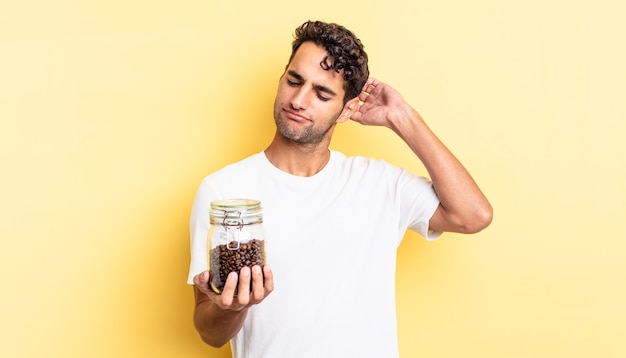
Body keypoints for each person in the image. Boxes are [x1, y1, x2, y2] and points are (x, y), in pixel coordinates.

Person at [188, 20, 492, 357]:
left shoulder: (379, 184)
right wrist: (232, 307)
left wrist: (402, 116)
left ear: (347, 109)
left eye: (322, 93)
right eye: (294, 81)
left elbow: (472, 215)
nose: (299, 100)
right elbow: (209, 332)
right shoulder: (225, 192)